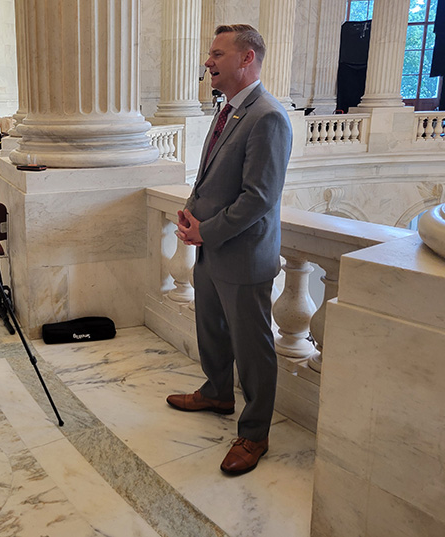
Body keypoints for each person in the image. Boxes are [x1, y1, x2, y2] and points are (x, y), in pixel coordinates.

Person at [165, 24, 292, 476]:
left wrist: (207, 230)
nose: (208, 62)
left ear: (247, 59)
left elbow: (259, 197)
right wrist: (188, 211)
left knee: (253, 349)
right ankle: (217, 392)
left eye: (217, 54)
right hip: (211, 247)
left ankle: (255, 433)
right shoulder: (229, 112)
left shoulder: (268, 117)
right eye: (209, 55)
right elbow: (212, 178)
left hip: (242, 254)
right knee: (212, 331)